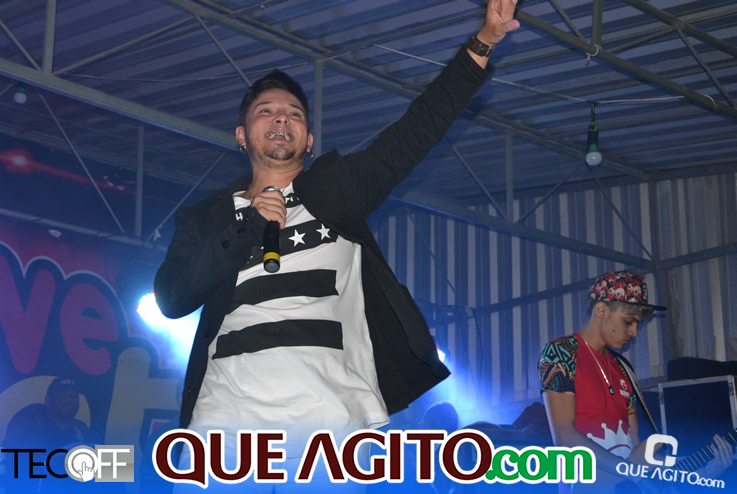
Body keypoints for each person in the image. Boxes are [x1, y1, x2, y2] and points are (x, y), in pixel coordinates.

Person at [153, 0, 519, 491]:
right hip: (225, 435)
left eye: (294, 113)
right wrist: (247, 228)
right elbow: (172, 297)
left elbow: (415, 132)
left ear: (308, 139)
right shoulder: (206, 217)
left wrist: (484, 41)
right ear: (241, 135)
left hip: (333, 435)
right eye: (266, 111)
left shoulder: (338, 192)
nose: (281, 118)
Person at [538, 271, 734, 493]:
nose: (634, 332)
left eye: (637, 324)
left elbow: (637, 452)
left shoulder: (624, 369)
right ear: (601, 310)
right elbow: (564, 436)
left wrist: (708, 472)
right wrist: (632, 472)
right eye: (629, 321)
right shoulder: (560, 353)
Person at [1, 377, 90, 493]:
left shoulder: (83, 432)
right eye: (62, 394)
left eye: (74, 395)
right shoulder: (25, 430)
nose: (69, 399)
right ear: (48, 401)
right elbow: (14, 477)